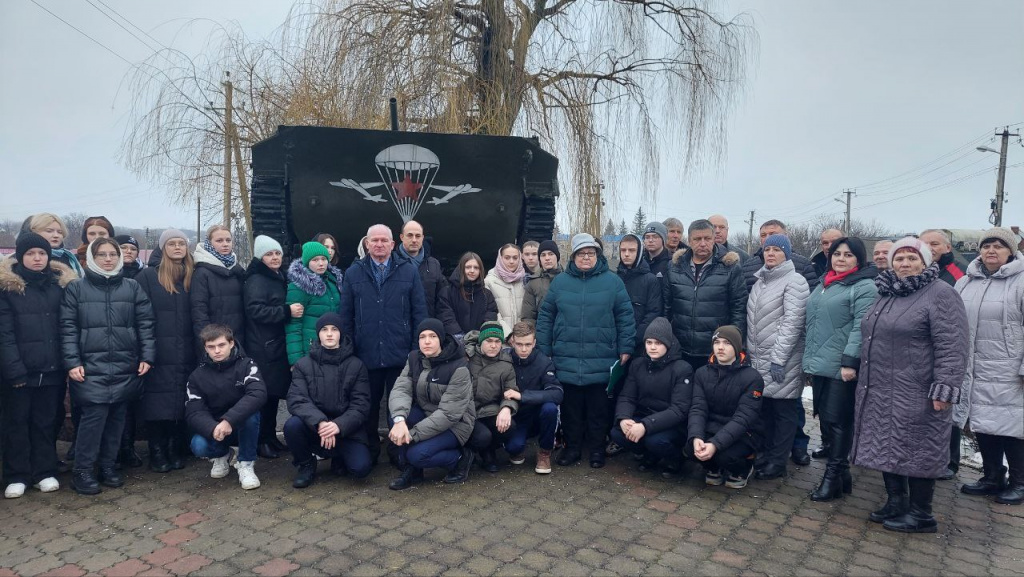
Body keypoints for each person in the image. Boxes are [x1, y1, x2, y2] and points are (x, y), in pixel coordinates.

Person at [852, 237, 968, 532]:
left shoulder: (940, 293)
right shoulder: (887, 291)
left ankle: (921, 514)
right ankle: (896, 501)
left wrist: (945, 387)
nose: (905, 264)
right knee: (885, 444)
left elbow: (952, 344)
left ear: (926, 262)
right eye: (899, 258)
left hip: (917, 388)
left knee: (919, 448)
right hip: (879, 386)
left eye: (912, 258)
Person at [61, 238, 155, 495]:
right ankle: (82, 471)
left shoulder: (132, 287)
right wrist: (72, 362)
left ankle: (108, 466)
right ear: (92, 258)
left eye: (112, 254)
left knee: (117, 419)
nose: (108, 258)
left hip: (125, 363)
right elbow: (68, 328)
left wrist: (147, 356)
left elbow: (145, 324)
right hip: (90, 367)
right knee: (94, 419)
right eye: (101, 254)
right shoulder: (76, 289)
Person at [536, 233, 635, 468]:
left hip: (602, 356)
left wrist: (626, 347)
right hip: (566, 356)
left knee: (598, 410)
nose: (586, 257)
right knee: (571, 409)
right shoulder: (560, 282)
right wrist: (544, 347)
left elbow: (625, 316)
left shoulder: (613, 282)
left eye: (591, 253)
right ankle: (572, 449)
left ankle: (597, 451)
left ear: (597, 255)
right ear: (573, 256)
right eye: (581, 253)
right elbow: (546, 316)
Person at [339, 224, 428, 463]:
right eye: (374, 240)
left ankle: (397, 451)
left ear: (392, 244)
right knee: (367, 407)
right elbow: (345, 317)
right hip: (365, 355)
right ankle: (370, 450)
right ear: (367, 244)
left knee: (398, 406)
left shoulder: (408, 271)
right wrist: (349, 351)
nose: (379, 244)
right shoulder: (353, 273)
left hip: (400, 355)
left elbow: (419, 313)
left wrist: (415, 350)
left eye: (383, 240)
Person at [0, 233, 75, 498]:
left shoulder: (58, 285)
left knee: (46, 422)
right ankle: (17, 474)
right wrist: (14, 369)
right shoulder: (9, 288)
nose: (37, 258)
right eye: (31, 254)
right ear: (20, 256)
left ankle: (45, 471)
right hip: (20, 371)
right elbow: (5, 333)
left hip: (52, 369)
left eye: (41, 254)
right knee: (17, 423)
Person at [802, 237, 877, 501]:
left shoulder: (865, 286)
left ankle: (832, 477)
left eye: (848, 255)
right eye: (837, 254)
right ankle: (843, 477)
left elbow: (861, 327)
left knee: (838, 423)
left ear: (859, 259)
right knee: (827, 420)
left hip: (841, 366)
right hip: (821, 362)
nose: (841, 259)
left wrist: (850, 361)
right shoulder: (825, 283)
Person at [955, 227, 1024, 505]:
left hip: (1008, 368)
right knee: (983, 422)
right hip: (974, 365)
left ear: (1011, 251)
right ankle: (993, 476)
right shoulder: (966, 281)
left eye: (998, 246)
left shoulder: (1020, 281)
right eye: (986, 246)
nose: (991, 251)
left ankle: (1020, 482)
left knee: (1013, 425)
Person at [745, 235, 809, 480]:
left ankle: (778, 462)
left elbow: (792, 324)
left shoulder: (795, 282)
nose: (770, 254)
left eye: (776, 250)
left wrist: (779, 359)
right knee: (767, 410)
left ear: (787, 254)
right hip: (760, 358)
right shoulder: (761, 281)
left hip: (783, 361)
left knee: (783, 412)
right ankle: (767, 456)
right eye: (767, 249)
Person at [386, 319, 475, 489]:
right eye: (422, 336)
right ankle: (412, 471)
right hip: (427, 414)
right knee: (395, 419)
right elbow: (401, 389)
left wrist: (411, 435)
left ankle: (460, 458)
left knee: (417, 454)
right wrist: (399, 420)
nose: (427, 341)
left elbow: (448, 414)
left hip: (455, 424)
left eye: (432, 336)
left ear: (441, 339)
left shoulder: (459, 367)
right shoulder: (414, 358)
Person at [285, 313, 372, 487]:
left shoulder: (356, 365)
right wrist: (321, 423)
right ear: (318, 334)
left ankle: (338, 457)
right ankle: (306, 464)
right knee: (292, 426)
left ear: (341, 334)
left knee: (361, 469)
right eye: (324, 330)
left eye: (334, 329)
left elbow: (361, 405)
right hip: (315, 428)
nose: (329, 334)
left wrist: (338, 426)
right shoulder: (303, 365)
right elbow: (297, 399)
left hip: (346, 430)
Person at [135, 229, 196, 473]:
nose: (178, 247)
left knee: (182, 400)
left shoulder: (193, 275)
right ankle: (157, 450)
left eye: (182, 243)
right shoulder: (148, 277)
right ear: (163, 248)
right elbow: (140, 316)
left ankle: (175, 447)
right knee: (157, 402)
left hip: (187, 349)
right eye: (172, 243)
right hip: (159, 350)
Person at [185, 324, 266, 490]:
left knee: (251, 416)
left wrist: (228, 420)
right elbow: (194, 411)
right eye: (211, 347)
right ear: (205, 348)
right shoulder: (197, 376)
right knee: (198, 445)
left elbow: (257, 394)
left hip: (242, 426)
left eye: (221, 345)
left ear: (231, 344)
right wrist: (212, 428)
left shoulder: (247, 365)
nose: (217, 351)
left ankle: (246, 463)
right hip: (216, 430)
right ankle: (221, 456)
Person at [612, 317, 693, 478]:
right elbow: (627, 396)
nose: (653, 347)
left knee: (655, 441)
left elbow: (679, 410)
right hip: (643, 417)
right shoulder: (638, 364)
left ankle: (676, 459)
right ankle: (649, 455)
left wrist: (645, 425)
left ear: (668, 344)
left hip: (671, 425)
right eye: (649, 343)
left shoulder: (682, 369)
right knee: (617, 433)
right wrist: (623, 418)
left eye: (658, 343)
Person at [664, 219, 747, 370]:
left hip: (715, 349)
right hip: (680, 348)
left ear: (714, 239)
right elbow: (666, 307)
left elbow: (738, 309)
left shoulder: (730, 268)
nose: (702, 243)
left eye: (707, 238)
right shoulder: (674, 267)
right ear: (689, 241)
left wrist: (734, 344)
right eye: (697, 239)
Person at [687, 326, 763, 489]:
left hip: (743, 433)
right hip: (712, 427)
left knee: (725, 456)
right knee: (689, 448)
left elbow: (743, 418)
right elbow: (698, 409)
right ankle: (713, 468)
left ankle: (744, 468)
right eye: (717, 342)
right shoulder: (702, 373)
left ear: (736, 347)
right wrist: (696, 437)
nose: (720, 347)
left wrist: (715, 444)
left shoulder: (752, 378)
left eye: (727, 343)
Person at [920, 229, 968, 480]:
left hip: (946, 346)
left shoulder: (959, 274)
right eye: (925, 243)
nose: (930, 247)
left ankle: (951, 461)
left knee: (947, 409)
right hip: (921, 350)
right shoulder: (921, 271)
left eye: (935, 243)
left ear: (947, 248)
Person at [244, 235, 295, 460]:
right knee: (264, 396)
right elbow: (255, 310)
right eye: (269, 254)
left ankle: (270, 436)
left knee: (273, 395)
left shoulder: (276, 276)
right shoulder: (256, 280)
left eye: (277, 254)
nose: (274, 258)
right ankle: (262, 441)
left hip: (273, 344)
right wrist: (285, 312)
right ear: (260, 257)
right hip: (263, 346)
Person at [504, 321, 563, 474]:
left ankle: (545, 452)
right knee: (513, 448)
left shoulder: (544, 362)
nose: (524, 349)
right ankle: (518, 445)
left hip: (538, 415)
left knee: (550, 408)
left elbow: (557, 393)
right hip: (516, 416)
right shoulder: (504, 360)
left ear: (534, 342)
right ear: (512, 342)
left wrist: (522, 396)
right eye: (519, 344)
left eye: (528, 344)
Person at [464, 322, 518, 472]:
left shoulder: (506, 364)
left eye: (497, 341)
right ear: (481, 341)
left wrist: (507, 407)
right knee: (482, 437)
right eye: (489, 341)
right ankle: (469, 452)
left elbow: (511, 389)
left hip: (490, 409)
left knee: (509, 426)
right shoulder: (466, 357)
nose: (493, 345)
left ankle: (489, 451)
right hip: (467, 411)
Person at [286, 241, 343, 365]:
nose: (321, 263)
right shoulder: (299, 286)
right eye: (315, 260)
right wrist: (296, 361)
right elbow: (293, 326)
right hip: (311, 349)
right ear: (307, 262)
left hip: (334, 348)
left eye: (323, 259)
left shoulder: (333, 282)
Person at [191, 225, 246, 343]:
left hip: (238, 338)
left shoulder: (237, 270)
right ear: (209, 243)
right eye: (219, 241)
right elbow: (199, 311)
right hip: (215, 342)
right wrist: (207, 341)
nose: (225, 244)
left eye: (228, 240)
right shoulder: (202, 273)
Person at [616, 233, 663, 357]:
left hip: (640, 346)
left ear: (640, 252)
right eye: (623, 250)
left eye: (631, 250)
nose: (626, 254)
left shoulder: (650, 280)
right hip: (615, 343)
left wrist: (634, 339)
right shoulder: (614, 279)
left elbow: (653, 312)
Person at [741, 220, 819, 292]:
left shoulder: (802, 264)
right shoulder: (748, 266)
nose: (768, 238)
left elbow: (812, 297)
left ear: (786, 236)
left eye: (773, 234)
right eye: (763, 235)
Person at [438, 252, 497, 339]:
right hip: (454, 342)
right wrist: (460, 337)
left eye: (476, 268)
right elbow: (446, 317)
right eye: (468, 267)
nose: (472, 271)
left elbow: (490, 317)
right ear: (461, 269)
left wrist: (479, 337)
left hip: (479, 342)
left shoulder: (487, 294)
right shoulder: (447, 292)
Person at [398, 221, 448, 319]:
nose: (414, 240)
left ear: (422, 238)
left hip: (427, 328)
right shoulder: (391, 263)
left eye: (418, 236)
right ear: (401, 237)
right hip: (399, 328)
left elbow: (443, 300)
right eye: (410, 235)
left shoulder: (434, 264)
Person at [485, 244, 527, 335]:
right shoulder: (489, 282)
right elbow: (491, 312)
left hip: (522, 339)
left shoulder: (525, 280)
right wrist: (508, 335)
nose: (511, 261)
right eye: (507, 258)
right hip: (499, 337)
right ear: (500, 258)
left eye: (515, 258)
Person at [520, 240, 562, 321]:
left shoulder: (568, 279)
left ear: (557, 256)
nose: (547, 258)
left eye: (551, 254)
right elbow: (528, 316)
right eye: (543, 255)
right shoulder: (533, 283)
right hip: (542, 330)